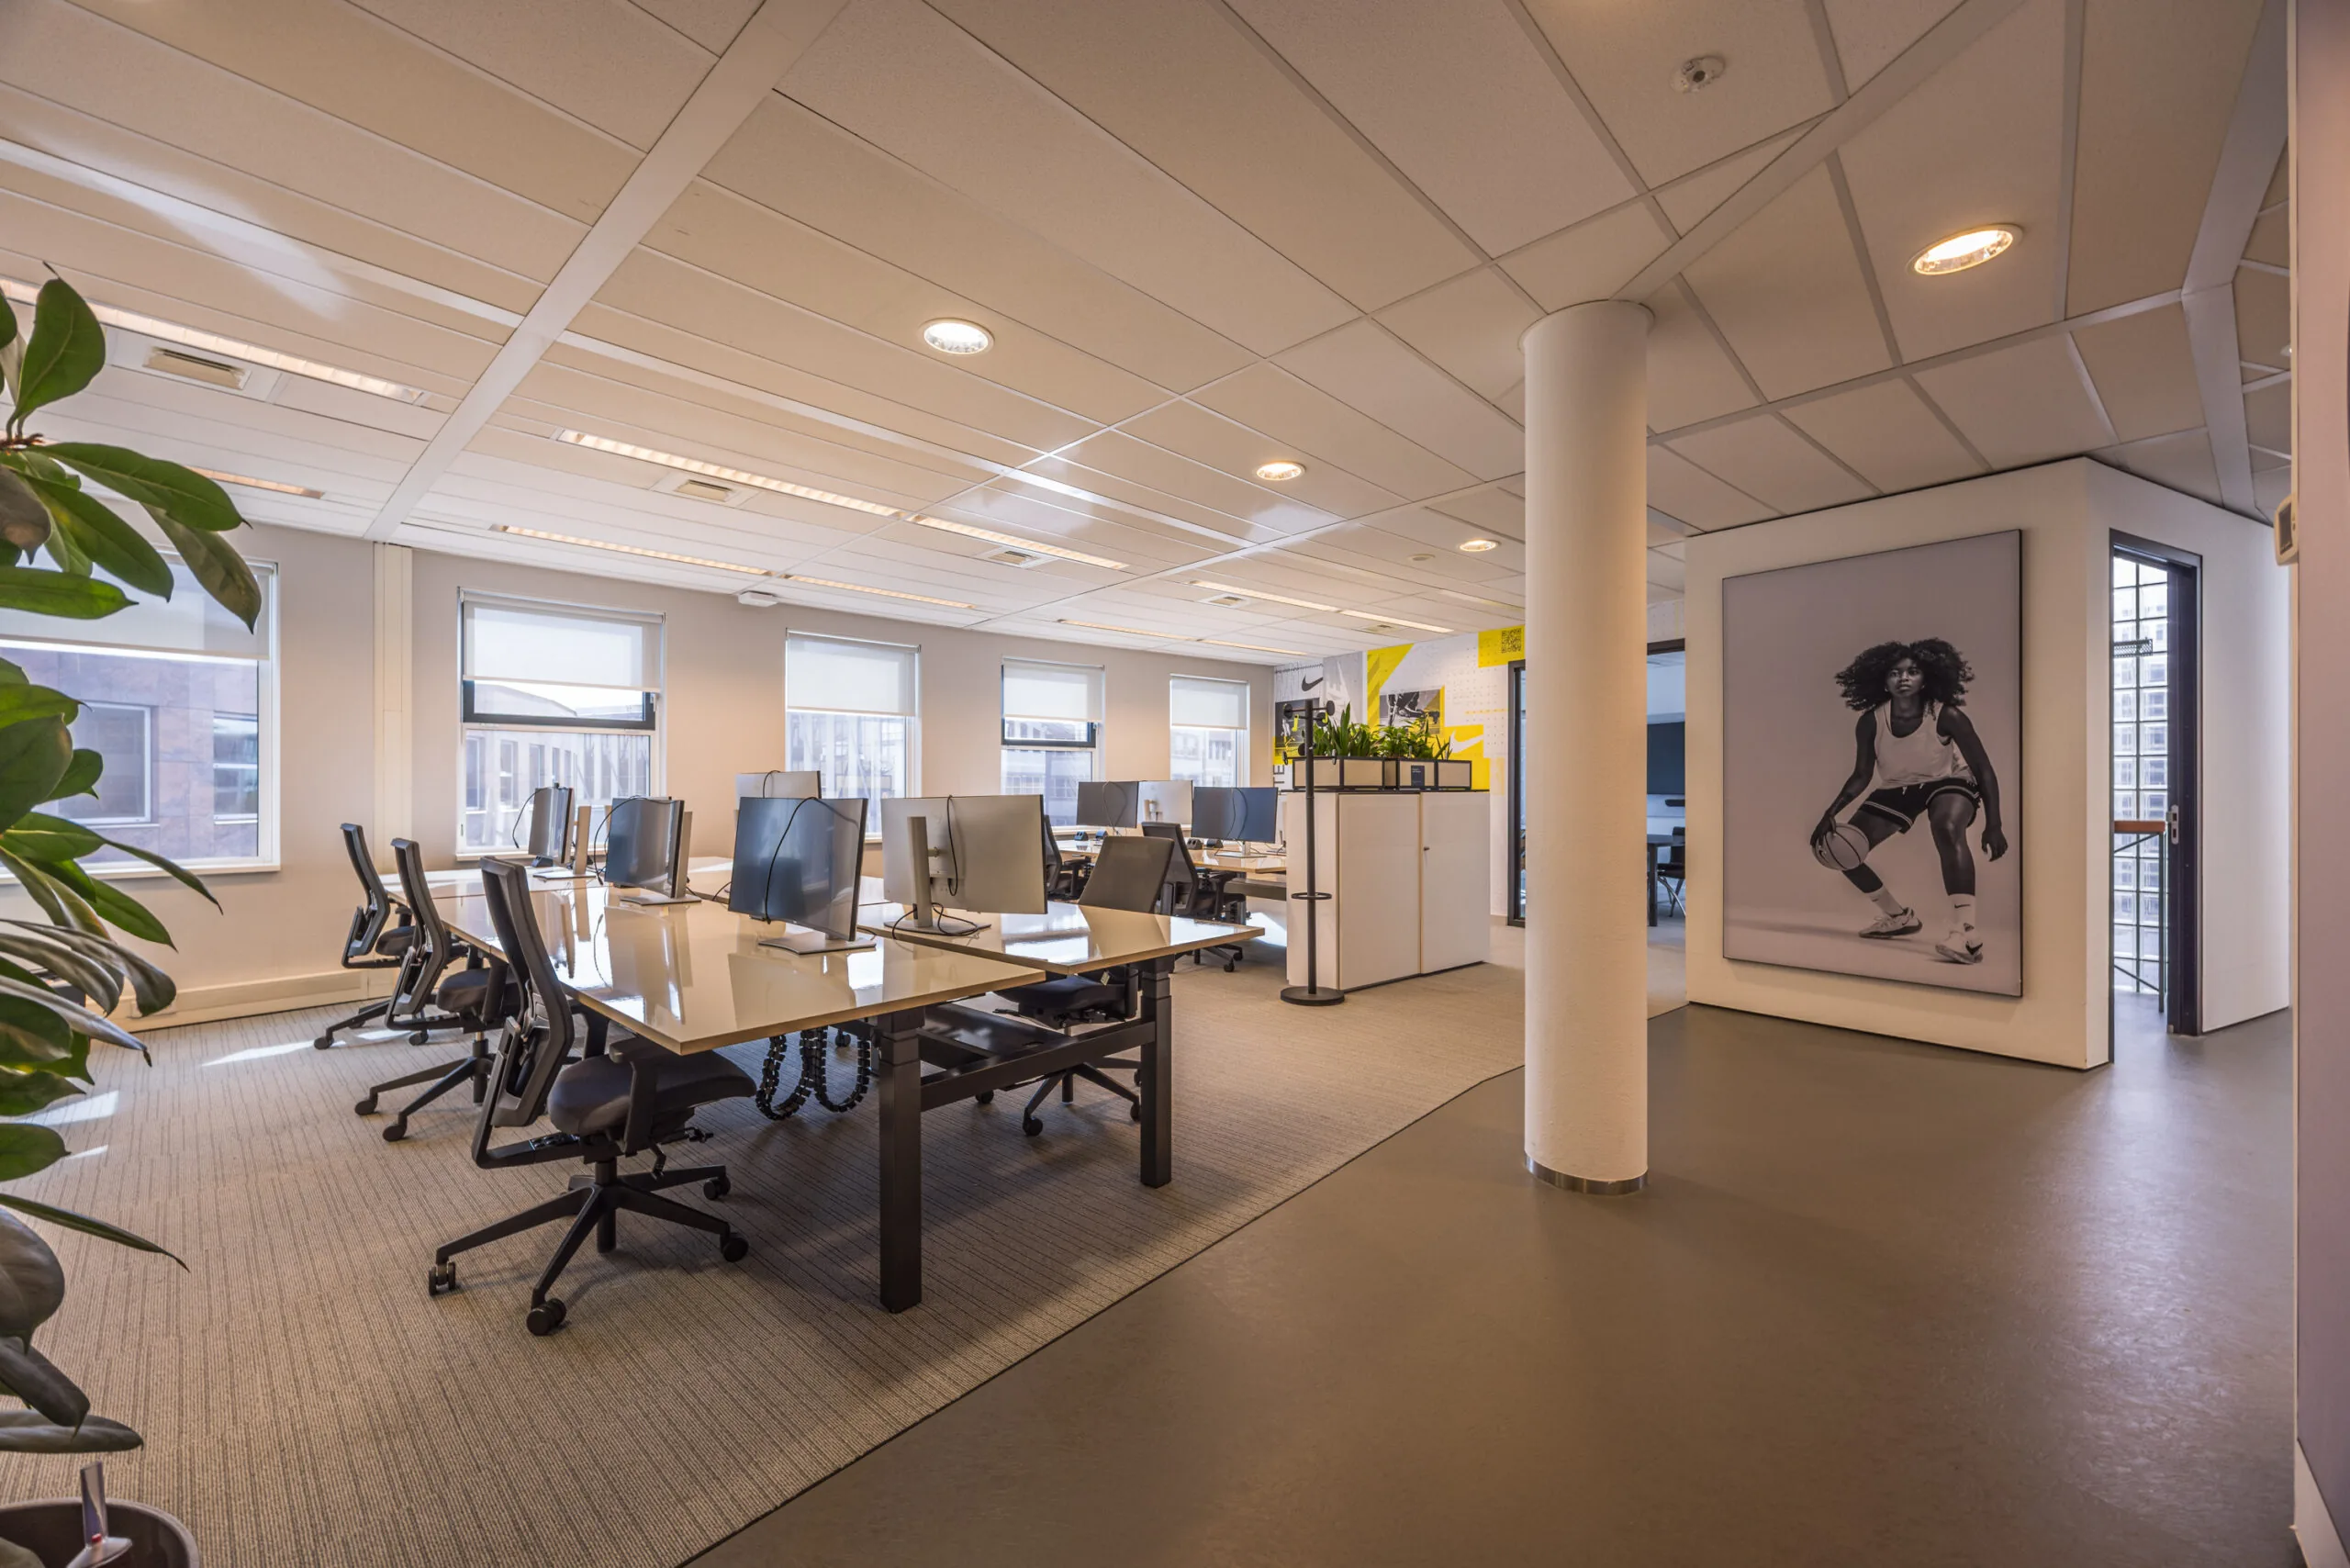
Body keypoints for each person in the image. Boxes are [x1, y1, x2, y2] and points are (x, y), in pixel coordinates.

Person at [1809, 639, 2008, 964]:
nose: (1903, 678)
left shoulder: (1947, 716)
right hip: (1899, 786)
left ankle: (1966, 932)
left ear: (1925, 679)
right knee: (1841, 851)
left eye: (1912, 672)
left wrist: (1994, 824)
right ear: (1882, 680)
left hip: (1949, 779)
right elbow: (1861, 774)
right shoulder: (1871, 721)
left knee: (1945, 827)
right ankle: (1898, 917)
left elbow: (1984, 769)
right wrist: (1830, 813)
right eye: (1895, 672)